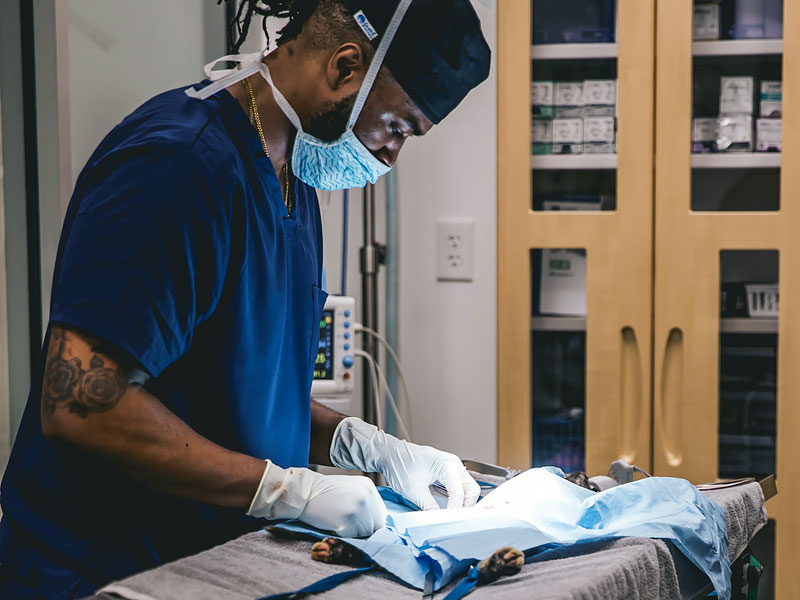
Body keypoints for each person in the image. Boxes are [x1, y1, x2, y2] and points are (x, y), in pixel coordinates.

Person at [0, 1, 491, 597]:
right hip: (99, 572)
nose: (390, 155)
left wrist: (365, 446)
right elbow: (80, 403)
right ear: (344, 67)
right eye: (398, 126)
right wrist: (288, 490)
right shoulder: (178, 166)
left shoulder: (292, 174)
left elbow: (232, 392)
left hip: (209, 567)